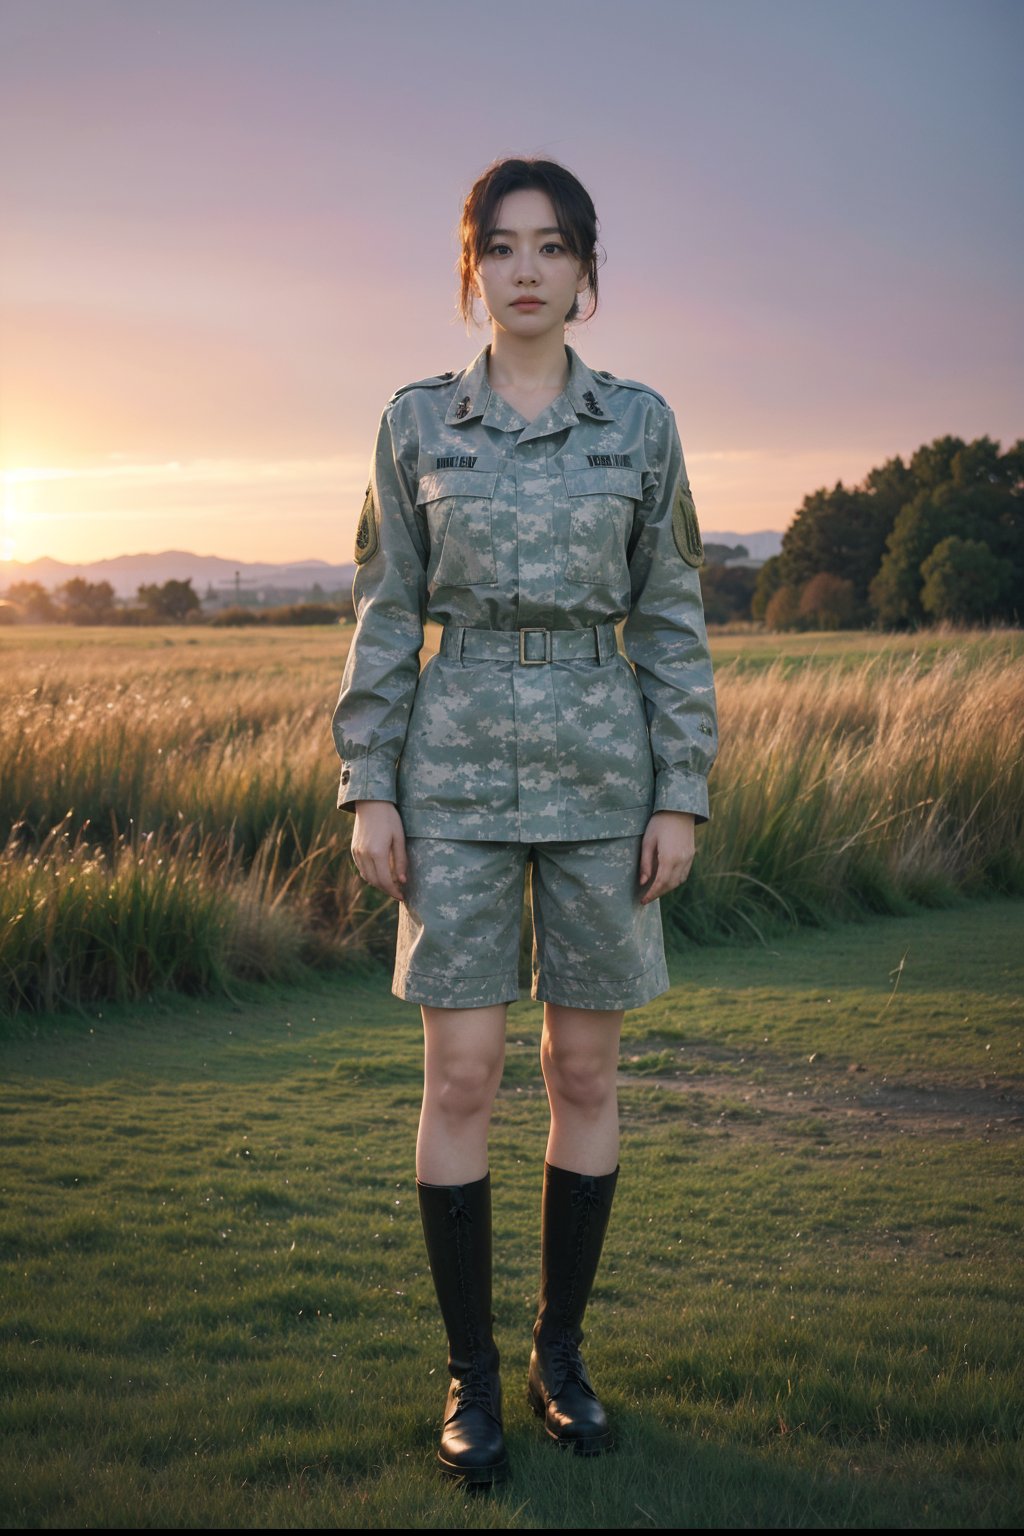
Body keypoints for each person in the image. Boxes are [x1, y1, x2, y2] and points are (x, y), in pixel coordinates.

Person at [331, 156, 717, 1486]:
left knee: (588, 1074)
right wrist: (369, 784)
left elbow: (670, 616)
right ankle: (472, 1377)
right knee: (463, 1075)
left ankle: (560, 1355)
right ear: (471, 269)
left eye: (553, 247)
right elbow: (387, 614)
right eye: (503, 248)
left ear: (586, 269)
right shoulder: (417, 425)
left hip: (609, 769)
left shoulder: (643, 426)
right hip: (454, 767)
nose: (529, 270)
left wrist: (683, 792)